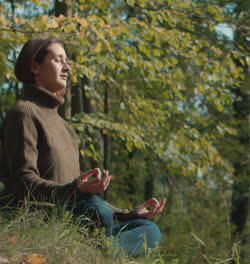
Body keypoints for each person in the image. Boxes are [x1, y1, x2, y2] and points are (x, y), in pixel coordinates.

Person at [0, 34, 166, 256]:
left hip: (76, 213)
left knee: (148, 229)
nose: (67, 67)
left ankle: (102, 253)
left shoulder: (65, 127)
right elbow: (23, 182)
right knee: (97, 211)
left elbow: (79, 195)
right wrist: (75, 190)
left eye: (66, 61)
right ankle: (104, 252)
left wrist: (130, 214)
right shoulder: (24, 112)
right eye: (58, 60)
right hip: (39, 217)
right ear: (34, 66)